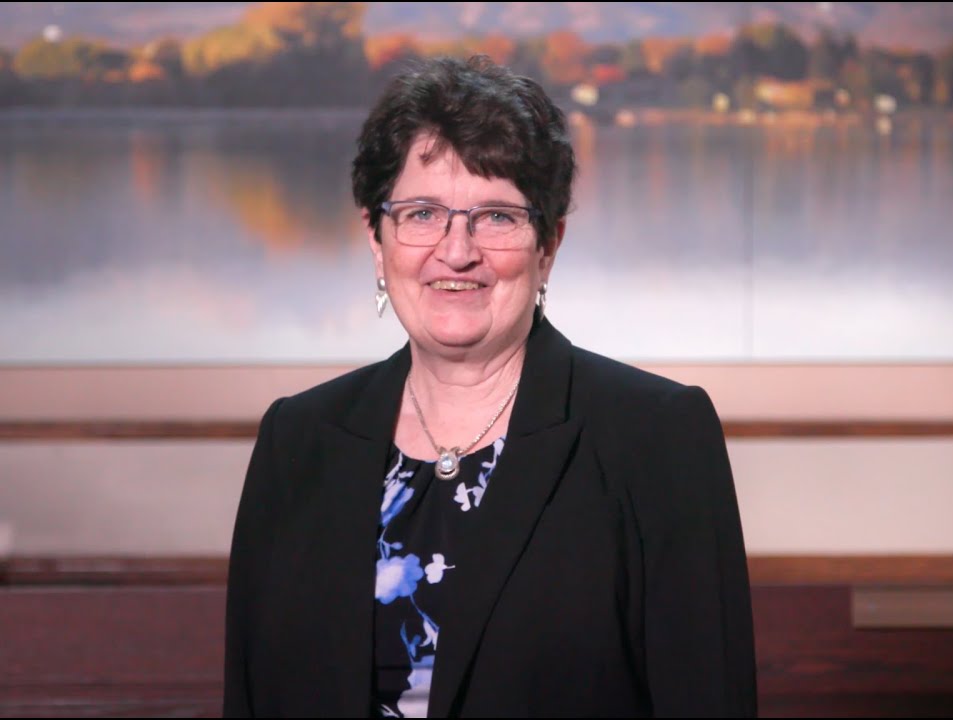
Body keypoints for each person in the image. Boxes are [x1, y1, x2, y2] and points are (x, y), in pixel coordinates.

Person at [222, 55, 757, 718]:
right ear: (377, 239)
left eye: (497, 217)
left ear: (548, 245)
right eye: (422, 213)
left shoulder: (656, 437)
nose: (457, 251)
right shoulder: (298, 440)